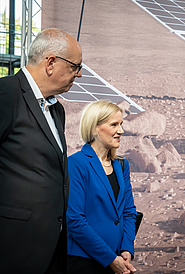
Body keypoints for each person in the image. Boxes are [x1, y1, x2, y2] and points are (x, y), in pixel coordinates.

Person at [0, 28, 82, 273]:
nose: (78, 75)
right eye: (75, 67)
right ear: (50, 63)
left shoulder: (57, 110)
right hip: (12, 249)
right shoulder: (6, 94)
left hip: (50, 250)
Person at [67, 100, 137, 274]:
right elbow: (75, 220)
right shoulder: (75, 163)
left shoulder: (122, 165)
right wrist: (110, 259)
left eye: (121, 124)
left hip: (118, 258)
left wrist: (126, 249)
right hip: (84, 261)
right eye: (114, 124)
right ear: (94, 128)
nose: (121, 130)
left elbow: (129, 211)